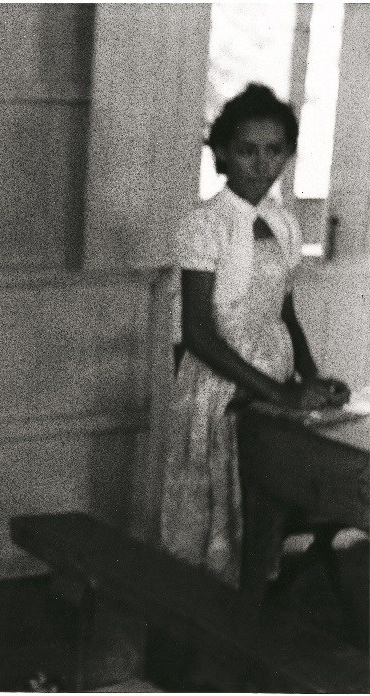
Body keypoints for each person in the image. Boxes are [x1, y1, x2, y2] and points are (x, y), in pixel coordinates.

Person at [160, 84, 350, 587]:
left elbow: (286, 314)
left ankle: (251, 609)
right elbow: (198, 334)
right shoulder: (206, 225)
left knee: (266, 509)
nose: (262, 164)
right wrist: (280, 395)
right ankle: (210, 615)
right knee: (222, 515)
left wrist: (310, 379)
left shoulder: (283, 225)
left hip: (274, 378)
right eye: (247, 150)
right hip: (221, 385)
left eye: (275, 151)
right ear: (223, 152)